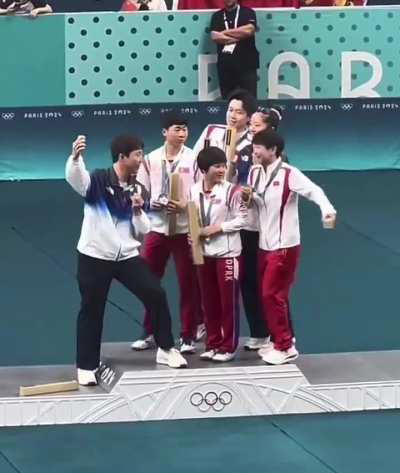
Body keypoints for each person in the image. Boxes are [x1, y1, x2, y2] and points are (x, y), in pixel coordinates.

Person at [66, 134, 187, 386]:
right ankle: (86, 366)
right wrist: (76, 158)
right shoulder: (97, 180)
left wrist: (138, 210)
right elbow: (76, 178)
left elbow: (143, 228)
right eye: (138, 155)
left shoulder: (138, 188)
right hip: (94, 256)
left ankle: (166, 349)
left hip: (126, 257)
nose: (141, 159)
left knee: (155, 293)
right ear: (122, 157)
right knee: (92, 309)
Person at [248, 130, 337, 365]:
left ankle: (286, 346)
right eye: (254, 147)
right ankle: (280, 339)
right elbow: (258, 201)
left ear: (273, 150)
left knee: (272, 294)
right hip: (264, 243)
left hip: (285, 245)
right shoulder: (255, 172)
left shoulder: (290, 174)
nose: (254, 151)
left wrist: (327, 210)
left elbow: (314, 191)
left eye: (259, 148)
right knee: (272, 295)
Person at [131, 113, 201, 354]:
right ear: (165, 132)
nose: (182, 133)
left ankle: (188, 335)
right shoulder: (149, 160)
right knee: (148, 282)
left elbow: (202, 192)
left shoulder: (194, 159)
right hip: (157, 229)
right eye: (177, 129)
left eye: (185, 130)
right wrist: (152, 203)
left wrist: (184, 205)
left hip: (184, 229)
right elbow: (139, 190)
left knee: (189, 284)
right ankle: (149, 330)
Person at [190, 147, 247, 362]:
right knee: (208, 302)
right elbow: (192, 218)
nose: (222, 169)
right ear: (204, 169)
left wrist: (218, 228)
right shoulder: (193, 191)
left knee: (228, 303)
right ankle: (212, 344)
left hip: (228, 254)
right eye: (217, 166)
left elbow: (243, 220)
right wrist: (192, 233)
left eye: (224, 165)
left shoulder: (232, 191)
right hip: (204, 254)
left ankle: (228, 347)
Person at [210, 0, 259, 99]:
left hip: (247, 65)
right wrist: (239, 36)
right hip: (226, 66)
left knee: (250, 100)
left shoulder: (248, 12)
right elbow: (215, 36)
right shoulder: (217, 16)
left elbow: (249, 30)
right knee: (228, 101)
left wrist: (224, 32)